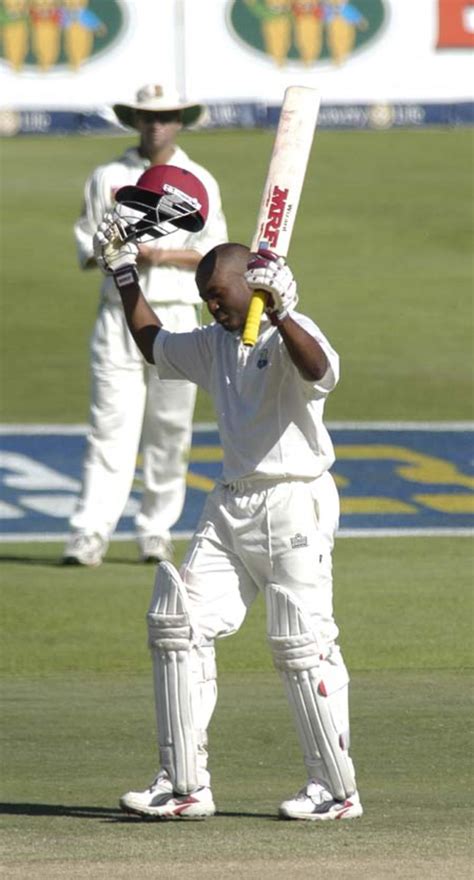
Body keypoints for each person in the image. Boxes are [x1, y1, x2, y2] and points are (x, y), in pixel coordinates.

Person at [93, 196, 363, 822]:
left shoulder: (293, 329)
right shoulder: (215, 344)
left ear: (251, 283)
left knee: (302, 644)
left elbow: (320, 371)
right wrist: (125, 273)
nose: (212, 305)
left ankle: (335, 790)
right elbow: (154, 344)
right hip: (231, 504)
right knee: (176, 624)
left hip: (296, 499)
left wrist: (287, 312)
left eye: (219, 293)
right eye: (205, 296)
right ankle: (184, 784)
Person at [63, 84, 228, 567]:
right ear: (134, 119)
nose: (156, 124)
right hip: (118, 311)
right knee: (110, 426)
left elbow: (212, 252)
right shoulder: (108, 176)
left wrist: (157, 253)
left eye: (166, 116)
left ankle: (156, 528)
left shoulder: (199, 178)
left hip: (176, 312)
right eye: (147, 116)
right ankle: (89, 531)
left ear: (180, 121)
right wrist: (115, 246)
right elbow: (87, 247)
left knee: (170, 428)